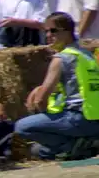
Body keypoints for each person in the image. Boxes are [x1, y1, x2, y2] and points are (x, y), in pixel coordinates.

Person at [14, 12, 99, 160]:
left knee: (22, 127)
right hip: (94, 118)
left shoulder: (60, 59)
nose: (48, 35)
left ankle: (73, 147)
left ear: (67, 31)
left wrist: (42, 113)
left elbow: (41, 100)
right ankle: (83, 142)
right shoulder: (86, 55)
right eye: (46, 31)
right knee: (39, 150)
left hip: (77, 118)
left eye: (53, 31)